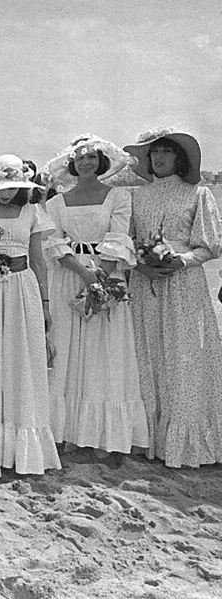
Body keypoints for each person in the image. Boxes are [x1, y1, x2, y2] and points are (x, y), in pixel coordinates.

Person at [42, 135, 148, 465]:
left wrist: (99, 271)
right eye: (80, 158)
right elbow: (54, 243)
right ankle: (70, 433)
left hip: (107, 275)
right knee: (68, 349)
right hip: (70, 277)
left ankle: (105, 435)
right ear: (71, 163)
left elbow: (119, 237)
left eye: (92, 157)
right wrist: (82, 272)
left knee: (105, 352)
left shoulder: (118, 196)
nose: (86, 162)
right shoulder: (56, 203)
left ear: (101, 162)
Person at [123, 129, 222, 468]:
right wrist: (141, 265)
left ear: (180, 158)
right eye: (154, 153)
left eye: (167, 151)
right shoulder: (136, 196)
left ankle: (189, 440)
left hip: (184, 284)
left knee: (185, 355)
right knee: (148, 353)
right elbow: (124, 241)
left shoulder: (198, 194)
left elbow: (209, 245)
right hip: (145, 283)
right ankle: (150, 438)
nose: (160, 157)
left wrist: (181, 260)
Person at [0, 154, 61, 475]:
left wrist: (46, 304)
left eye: (12, 186)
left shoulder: (32, 211)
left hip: (22, 288)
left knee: (20, 357)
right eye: (1, 186)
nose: (6, 193)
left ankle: (20, 445)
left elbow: (38, 260)